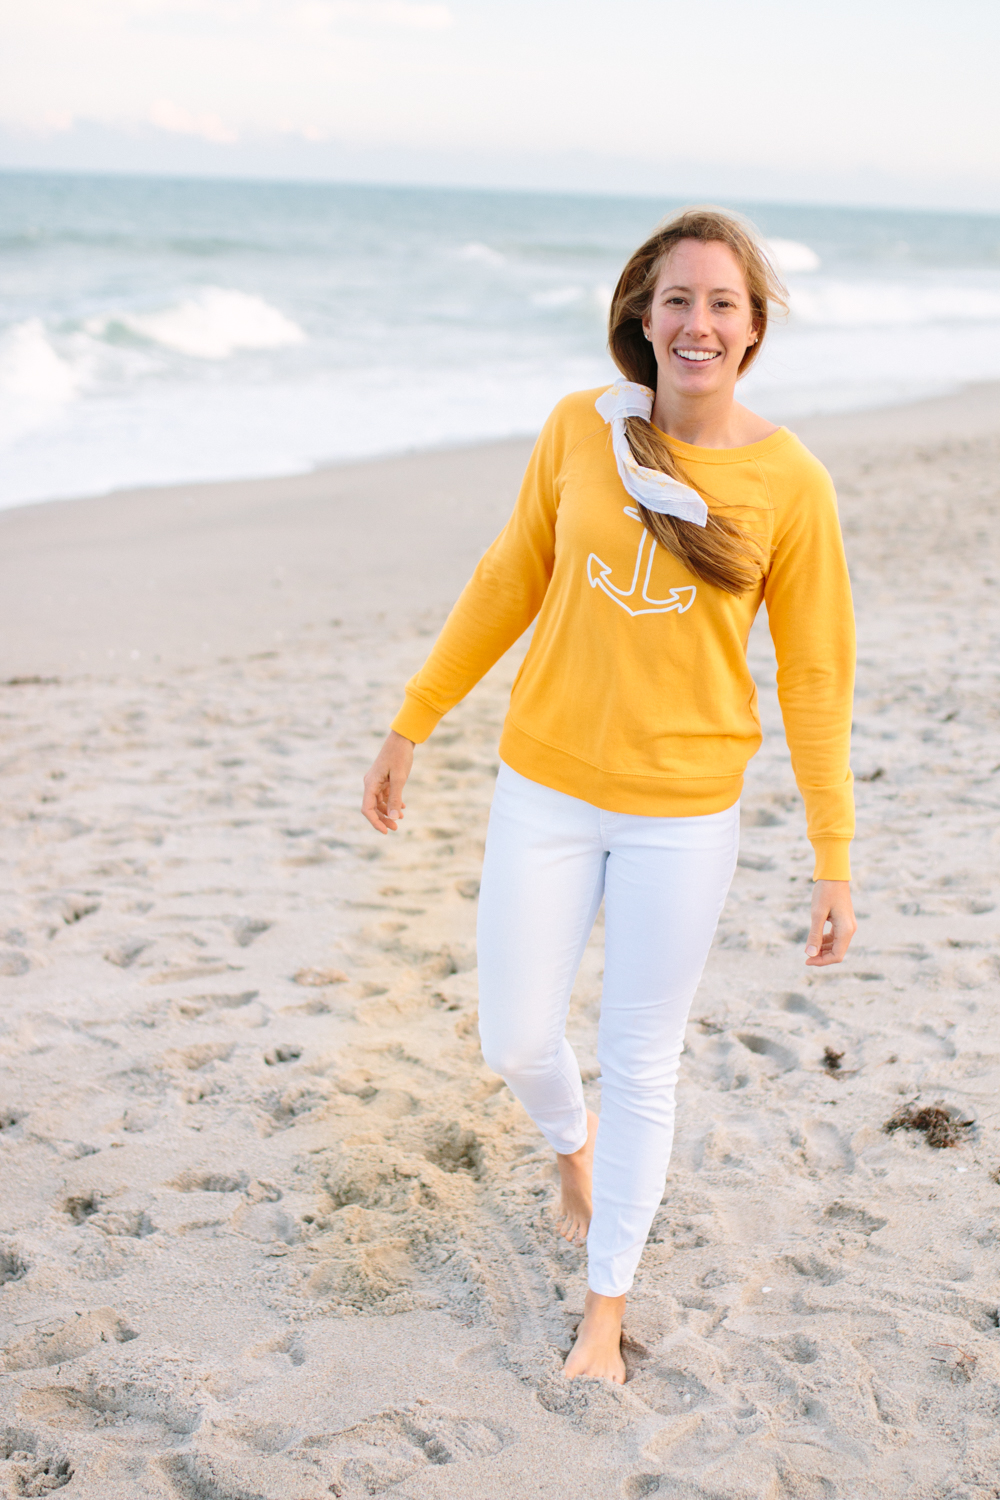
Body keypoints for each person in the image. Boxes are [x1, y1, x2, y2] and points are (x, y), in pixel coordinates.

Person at [361, 206, 857, 1383]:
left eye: (721, 303)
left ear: (752, 330)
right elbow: (507, 578)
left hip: (682, 813)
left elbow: (818, 675)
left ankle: (603, 1311)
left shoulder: (790, 483)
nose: (696, 322)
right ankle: (567, 1143)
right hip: (543, 784)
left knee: (643, 1058)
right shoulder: (581, 432)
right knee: (516, 1036)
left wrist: (833, 852)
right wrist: (412, 719)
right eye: (676, 299)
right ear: (641, 313)